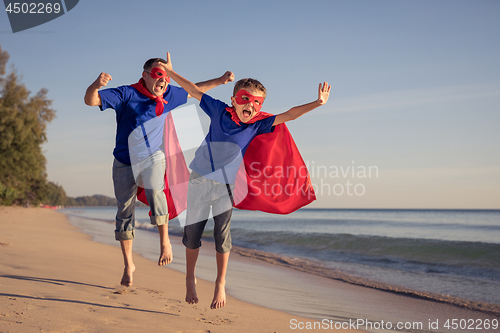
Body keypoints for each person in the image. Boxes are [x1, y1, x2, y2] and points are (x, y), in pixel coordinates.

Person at [162, 52, 331, 309]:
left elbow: (291, 114)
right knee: (193, 233)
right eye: (244, 99)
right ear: (234, 100)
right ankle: (189, 278)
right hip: (199, 180)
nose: (249, 105)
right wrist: (172, 73)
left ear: (260, 106)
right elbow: (193, 90)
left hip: (227, 186)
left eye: (256, 103)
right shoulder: (219, 110)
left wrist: (317, 103)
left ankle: (220, 283)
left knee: (222, 234)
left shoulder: (257, 125)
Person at [84, 57, 234, 287]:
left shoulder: (170, 95)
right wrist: (96, 85)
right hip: (124, 161)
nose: (162, 80)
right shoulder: (127, 94)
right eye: (157, 74)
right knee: (125, 212)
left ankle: (164, 241)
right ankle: (128, 265)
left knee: (156, 190)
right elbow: (91, 100)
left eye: (166, 76)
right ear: (144, 75)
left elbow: (195, 90)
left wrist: (221, 80)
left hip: (153, 157)